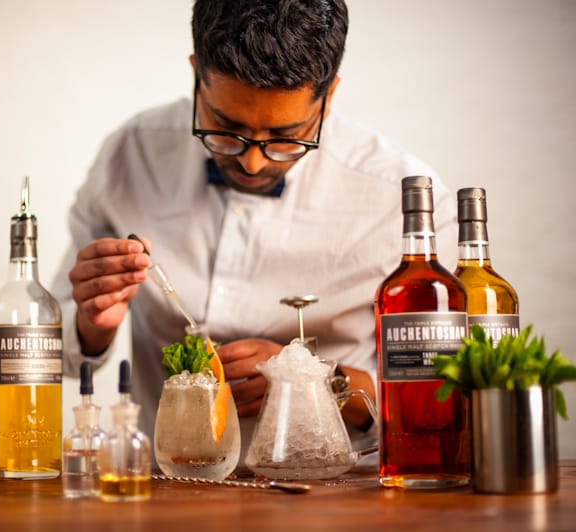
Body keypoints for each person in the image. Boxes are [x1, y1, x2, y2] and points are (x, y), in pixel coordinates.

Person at [50, 0, 457, 462]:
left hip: (337, 489)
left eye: (285, 138)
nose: (253, 162)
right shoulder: (131, 153)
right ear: (195, 74)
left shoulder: (403, 201)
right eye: (226, 129)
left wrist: (315, 382)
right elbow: (62, 353)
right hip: (167, 481)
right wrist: (91, 323)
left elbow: (440, 403)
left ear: (329, 95)